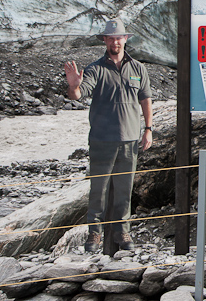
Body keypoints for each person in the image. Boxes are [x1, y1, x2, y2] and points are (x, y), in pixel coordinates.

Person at [64, 18, 153, 252]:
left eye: (119, 37)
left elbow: (145, 99)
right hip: (102, 140)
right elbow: (79, 94)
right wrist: (74, 86)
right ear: (105, 40)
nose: (115, 41)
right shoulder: (96, 69)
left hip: (130, 139)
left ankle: (122, 233)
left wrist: (148, 129)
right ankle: (94, 234)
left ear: (125, 39)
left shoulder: (138, 68)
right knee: (99, 189)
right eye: (111, 38)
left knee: (124, 189)